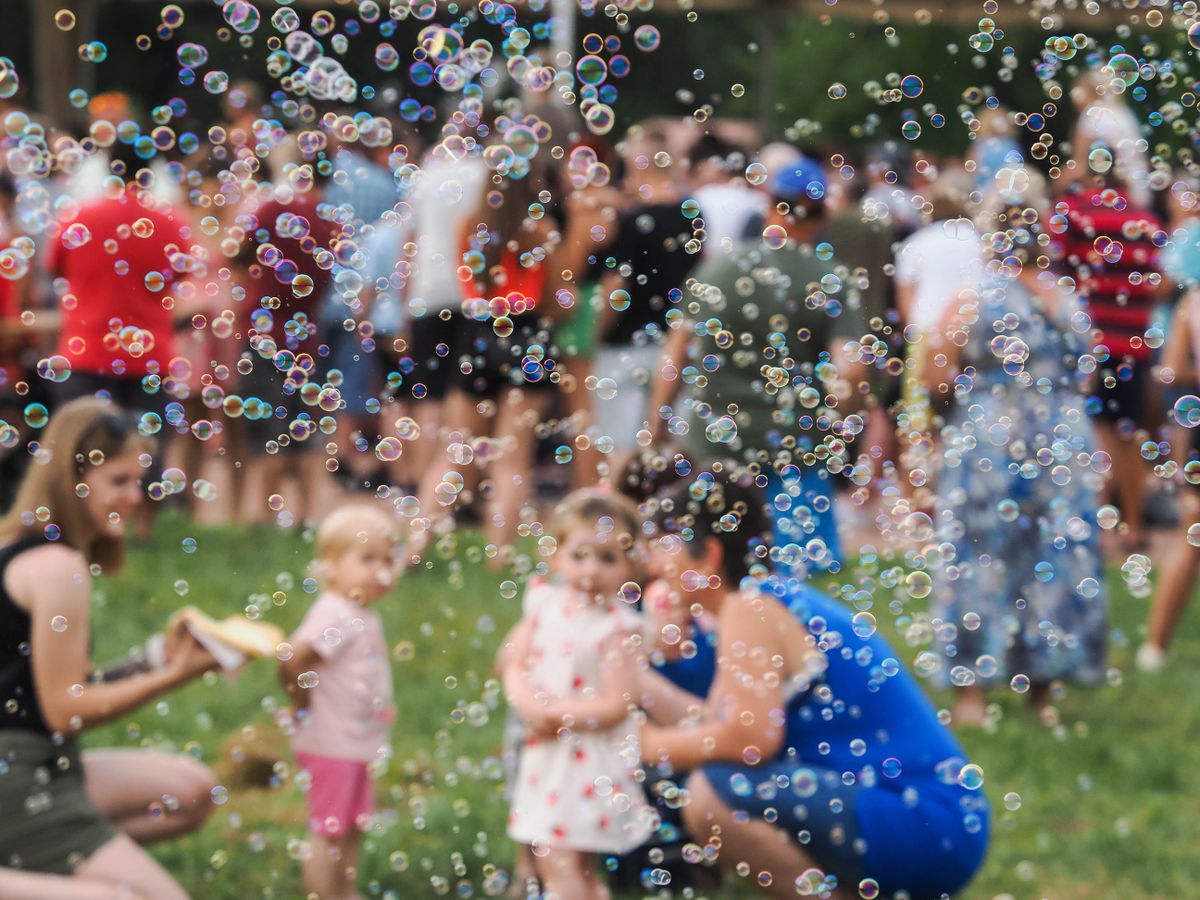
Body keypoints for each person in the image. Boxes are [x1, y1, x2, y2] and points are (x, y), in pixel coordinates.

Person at [634, 465, 989, 899]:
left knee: (711, 795)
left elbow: (750, 738)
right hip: (932, 820)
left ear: (708, 555)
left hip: (918, 821)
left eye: (665, 547)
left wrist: (650, 746)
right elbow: (709, 723)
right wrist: (637, 682)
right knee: (713, 778)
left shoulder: (751, 608)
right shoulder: (759, 601)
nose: (652, 563)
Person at [0, 398, 219, 898]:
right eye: (119, 482)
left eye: (137, 481)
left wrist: (154, 660)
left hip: (44, 765)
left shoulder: (18, 547)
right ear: (74, 481)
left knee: (193, 793)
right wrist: (176, 676)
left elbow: (37, 688)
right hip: (15, 777)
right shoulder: (58, 568)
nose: (136, 496)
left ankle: (45, 866)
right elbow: (63, 710)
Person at [925, 172, 1107, 725]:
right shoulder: (1066, 300)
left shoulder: (973, 298)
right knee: (1051, 558)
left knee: (977, 556)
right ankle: (1044, 690)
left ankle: (971, 696)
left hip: (989, 438)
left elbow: (936, 376)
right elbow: (1089, 379)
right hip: (1059, 438)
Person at [648, 156, 869, 575]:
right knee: (797, 579)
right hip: (796, 446)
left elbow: (677, 352)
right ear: (823, 213)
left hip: (713, 442)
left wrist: (657, 425)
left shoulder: (719, 267)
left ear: (771, 204)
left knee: (712, 569)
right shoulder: (830, 276)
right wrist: (842, 423)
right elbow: (851, 370)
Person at [500, 489, 656, 898]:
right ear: (555, 556)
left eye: (608, 558)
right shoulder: (543, 604)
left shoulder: (616, 629)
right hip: (549, 756)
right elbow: (514, 662)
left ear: (631, 567)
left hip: (587, 763)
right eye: (580, 554)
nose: (592, 568)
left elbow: (619, 703)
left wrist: (558, 716)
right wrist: (528, 705)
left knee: (560, 860)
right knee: (575, 868)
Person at [278, 503, 398, 900]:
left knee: (353, 824)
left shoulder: (361, 614)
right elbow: (294, 657)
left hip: (357, 740)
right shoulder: (335, 614)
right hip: (332, 742)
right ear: (331, 564)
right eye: (367, 559)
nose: (381, 569)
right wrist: (302, 706)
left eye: (387, 559)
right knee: (329, 829)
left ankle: (344, 891)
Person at [1053, 139, 1167, 552]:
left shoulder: (1074, 212)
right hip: (1134, 342)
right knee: (1129, 434)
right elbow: (1160, 280)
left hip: (1091, 341)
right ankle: (1134, 528)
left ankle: (1096, 529)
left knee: (1093, 433)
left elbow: (1052, 270)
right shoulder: (1144, 219)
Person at [592, 122, 701, 470]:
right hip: (677, 344)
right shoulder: (692, 216)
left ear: (640, 165)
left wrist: (595, 334)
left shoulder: (631, 220)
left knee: (621, 448)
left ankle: (622, 518)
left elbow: (616, 287)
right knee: (671, 450)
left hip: (625, 345)